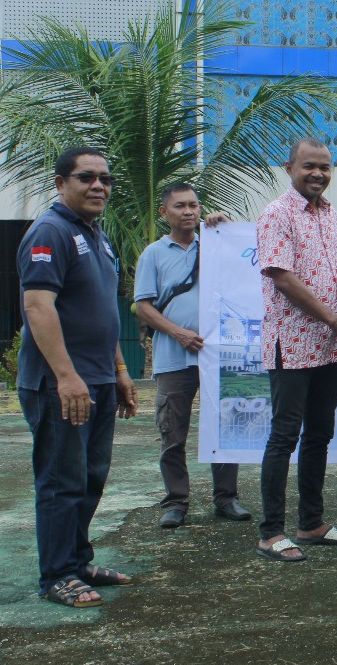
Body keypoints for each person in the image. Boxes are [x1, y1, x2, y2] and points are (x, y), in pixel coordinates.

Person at [16, 146, 139, 608]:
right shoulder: (51, 231)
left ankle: (78, 559)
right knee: (60, 480)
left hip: (98, 380)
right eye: (86, 177)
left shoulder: (96, 234)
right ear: (60, 183)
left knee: (90, 476)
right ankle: (56, 576)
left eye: (105, 178)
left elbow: (100, 312)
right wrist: (66, 377)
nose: (99, 186)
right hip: (61, 384)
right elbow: (38, 307)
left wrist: (120, 370)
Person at [254, 137, 337, 562]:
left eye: (325, 167)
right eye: (309, 167)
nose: (318, 174)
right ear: (290, 168)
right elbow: (283, 276)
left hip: (329, 345)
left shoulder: (332, 215)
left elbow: (322, 271)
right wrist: (335, 319)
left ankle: (311, 523)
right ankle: (271, 532)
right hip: (293, 343)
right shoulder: (276, 214)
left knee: (320, 434)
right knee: (284, 436)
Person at [134, 182, 250, 529]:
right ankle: (176, 501)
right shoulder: (153, 254)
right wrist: (178, 333)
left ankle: (226, 498)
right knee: (172, 431)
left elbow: (242, 273)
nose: (189, 211)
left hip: (217, 356)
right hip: (174, 357)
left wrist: (226, 231)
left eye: (194, 205)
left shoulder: (214, 243)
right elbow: (143, 306)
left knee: (224, 428)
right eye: (180, 206)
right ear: (164, 212)